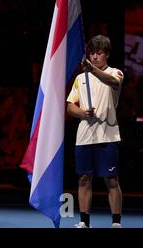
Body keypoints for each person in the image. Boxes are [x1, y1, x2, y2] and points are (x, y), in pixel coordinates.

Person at [67, 35, 124, 229]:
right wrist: (82, 112)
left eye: (98, 53)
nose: (94, 56)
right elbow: (69, 107)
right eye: (92, 53)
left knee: (111, 179)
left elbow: (112, 82)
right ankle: (84, 221)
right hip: (84, 136)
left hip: (107, 134)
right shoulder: (80, 79)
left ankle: (116, 222)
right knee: (84, 179)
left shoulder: (116, 73)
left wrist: (92, 70)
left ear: (107, 54)